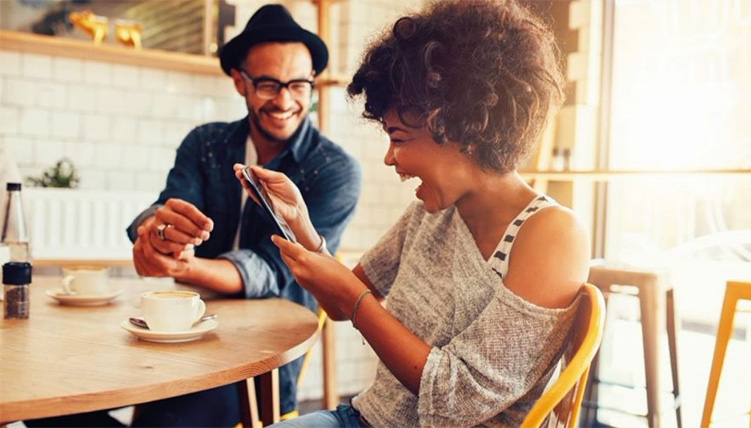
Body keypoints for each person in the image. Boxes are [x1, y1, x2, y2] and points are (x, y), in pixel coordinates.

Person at [234, 0, 590, 426]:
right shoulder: (434, 210)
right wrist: (302, 227)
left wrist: (356, 299)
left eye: (398, 138)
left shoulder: (552, 235)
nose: (390, 157)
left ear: (460, 126)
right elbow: (345, 301)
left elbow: (459, 398)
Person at [25, 4, 360, 428]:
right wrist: (155, 235)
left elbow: (273, 270)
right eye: (268, 84)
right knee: (52, 400)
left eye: (298, 85)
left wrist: (185, 264)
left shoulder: (335, 169)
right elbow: (165, 210)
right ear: (240, 81)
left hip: (261, 352)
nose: (284, 100)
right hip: (175, 330)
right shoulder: (206, 143)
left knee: (164, 422)